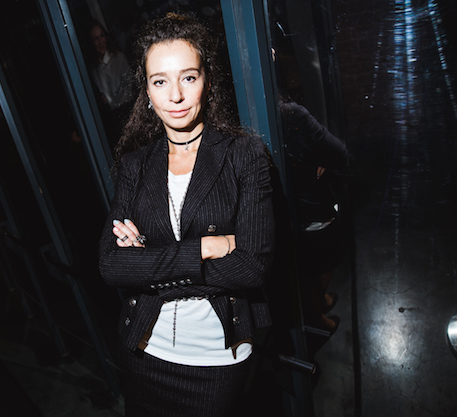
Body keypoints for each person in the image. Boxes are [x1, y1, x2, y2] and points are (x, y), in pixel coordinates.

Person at [98, 13, 275, 416]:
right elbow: (110, 264)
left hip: (216, 359)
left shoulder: (244, 155)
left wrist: (148, 265)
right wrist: (206, 248)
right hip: (144, 351)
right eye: (160, 81)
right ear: (146, 91)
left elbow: (252, 268)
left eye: (188, 78)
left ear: (207, 82)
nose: (175, 96)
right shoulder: (136, 164)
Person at [281, 99, 348, 334]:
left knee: (306, 266)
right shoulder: (290, 115)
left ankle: (318, 303)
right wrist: (322, 157)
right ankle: (316, 316)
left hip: (281, 211)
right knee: (320, 263)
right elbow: (339, 154)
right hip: (309, 208)